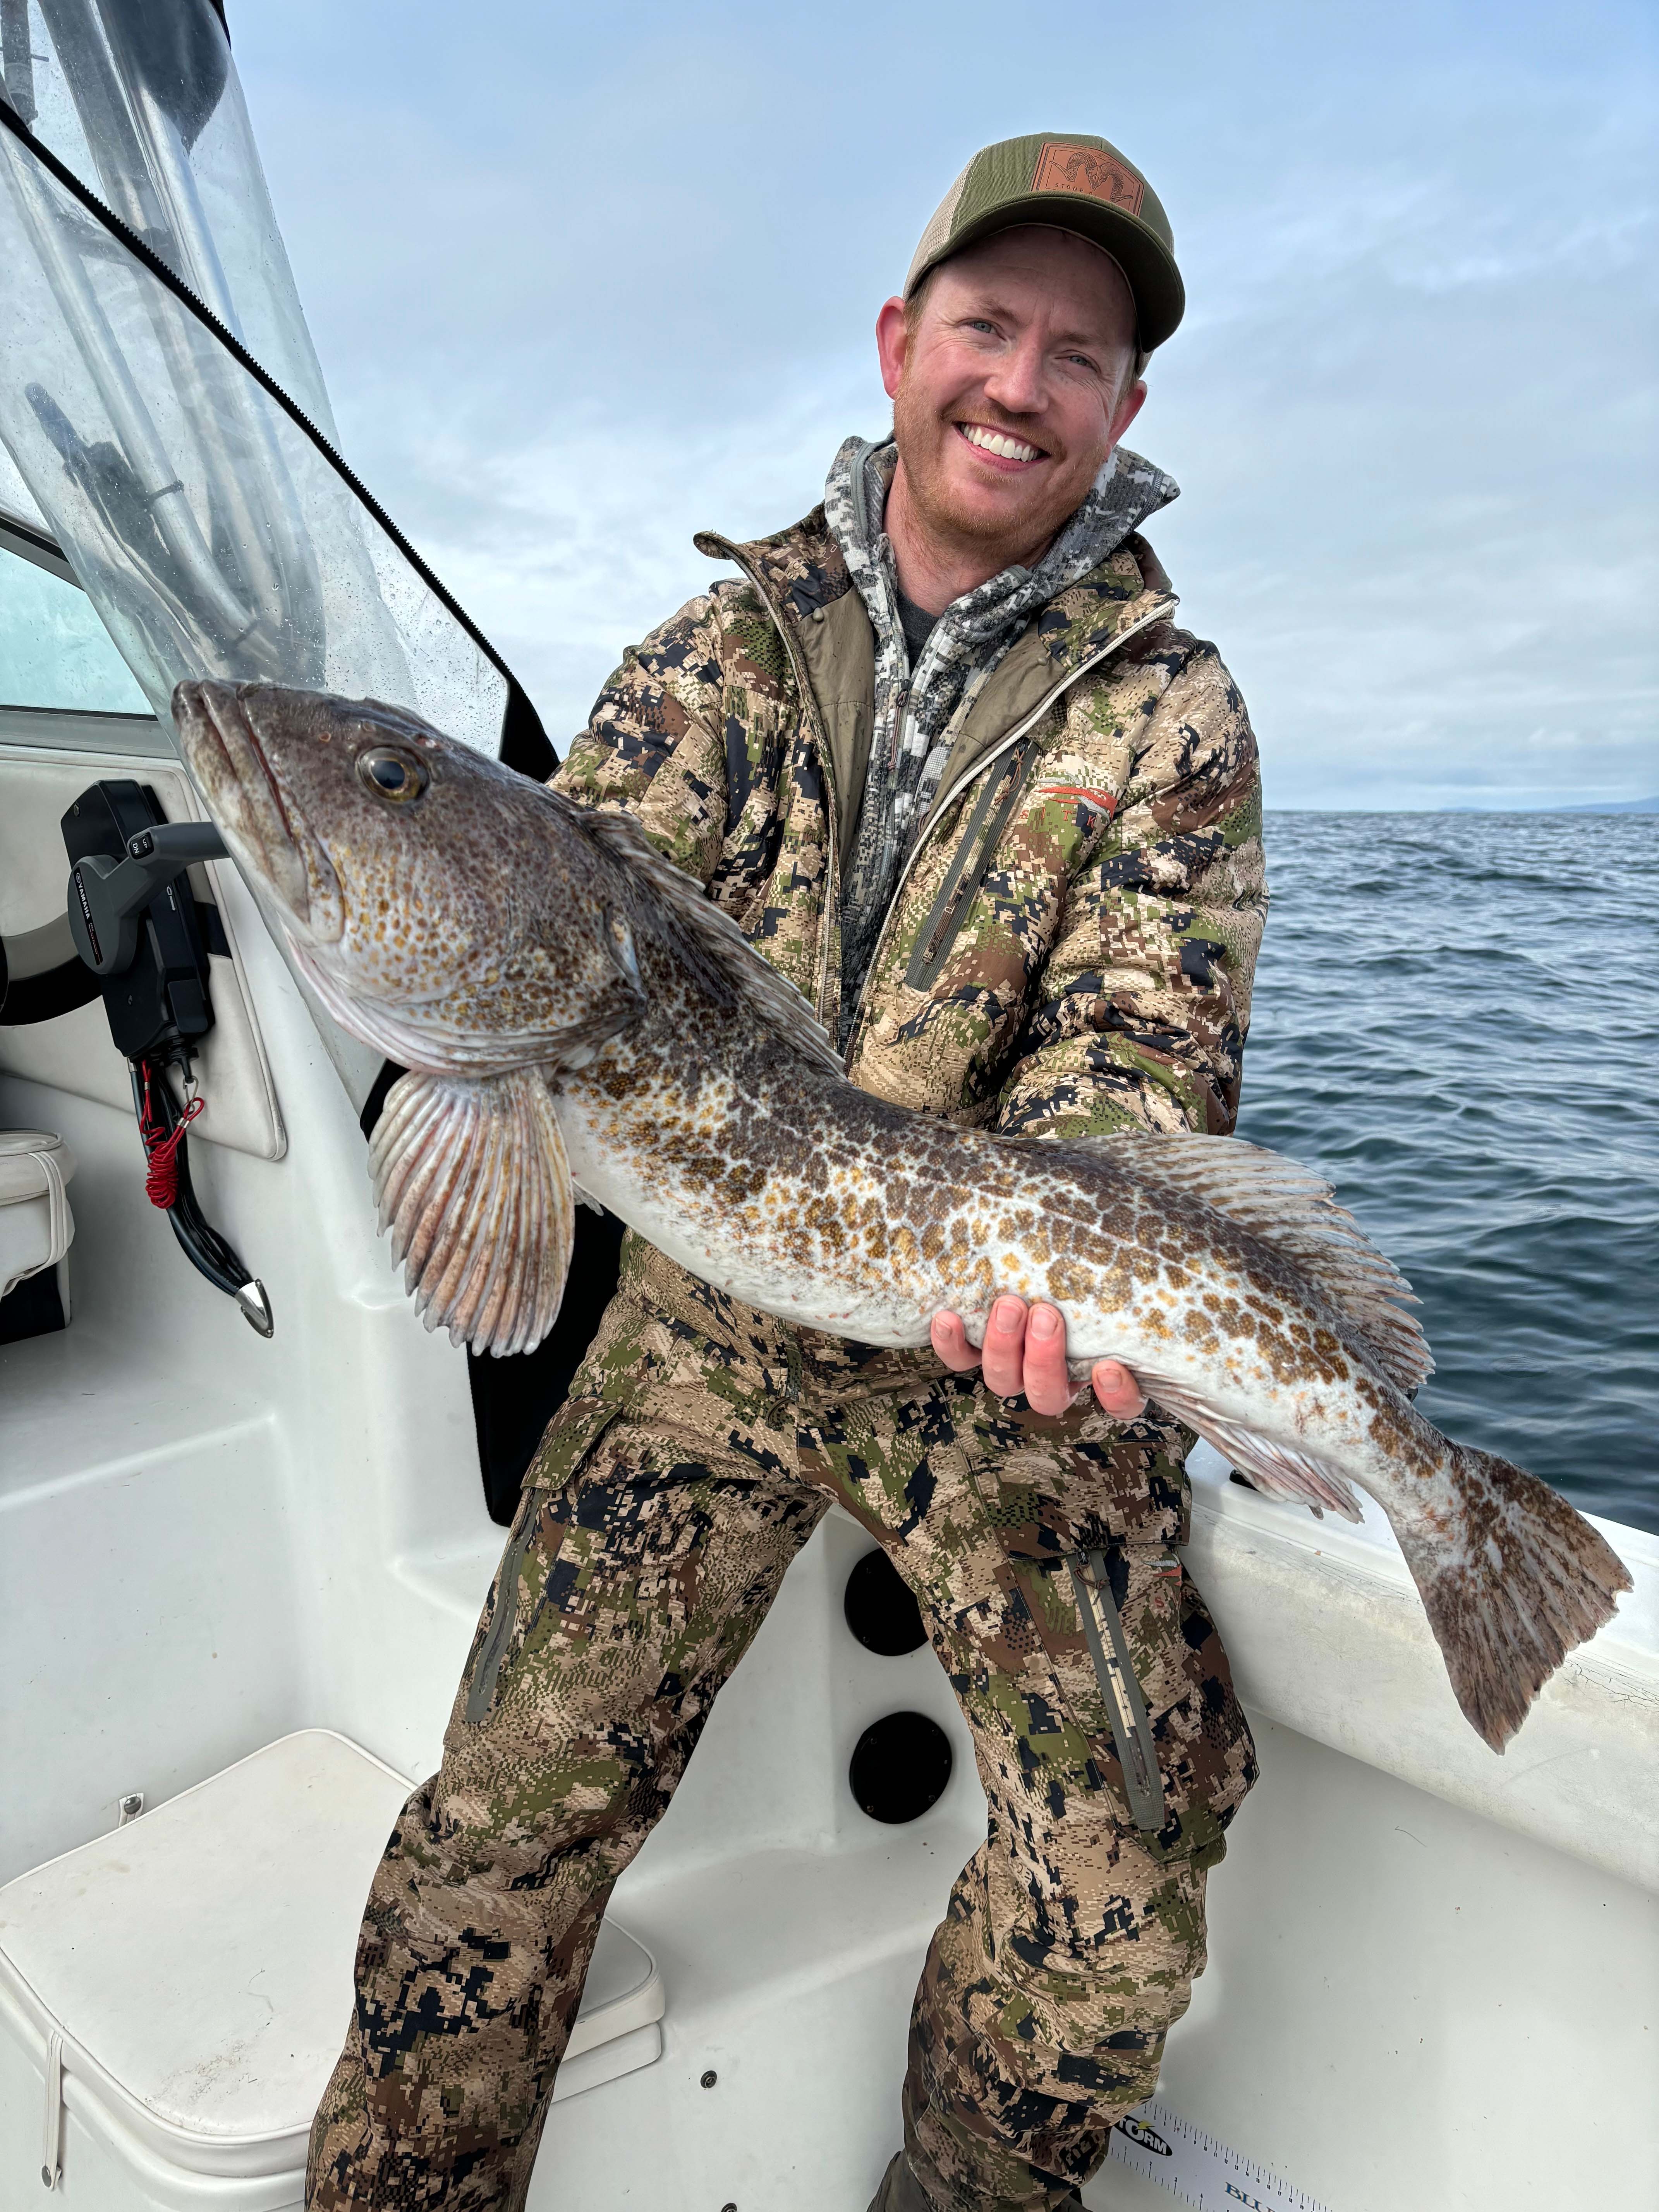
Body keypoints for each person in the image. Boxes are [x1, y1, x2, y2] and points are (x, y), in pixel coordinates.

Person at [309, 131, 1267, 2212]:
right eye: (989, 326)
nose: (1022, 383)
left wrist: (1074, 1288)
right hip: (705, 1316)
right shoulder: (711, 649)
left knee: (1124, 1882)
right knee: (497, 1825)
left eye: (1078, 352)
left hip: (992, 1357)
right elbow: (564, 940)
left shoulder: (1174, 713)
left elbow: (1136, 1072)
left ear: (1125, 407)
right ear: (901, 341)